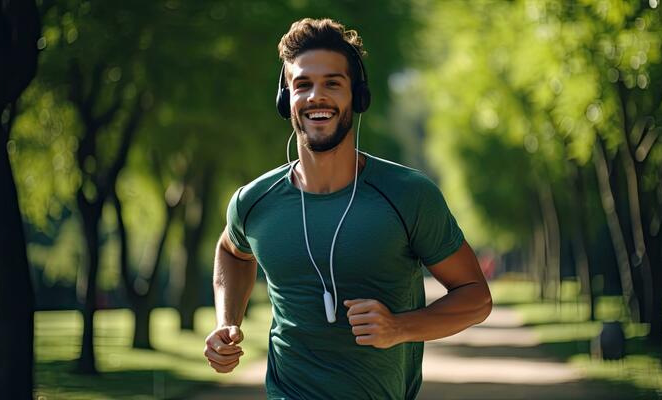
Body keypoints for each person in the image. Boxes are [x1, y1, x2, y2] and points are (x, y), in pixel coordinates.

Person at [204, 18, 492, 399]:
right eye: (302, 85)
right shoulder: (254, 201)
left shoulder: (408, 195)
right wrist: (227, 323)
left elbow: (476, 297)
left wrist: (399, 328)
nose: (315, 97)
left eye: (332, 84)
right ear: (285, 98)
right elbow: (231, 250)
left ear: (358, 96)